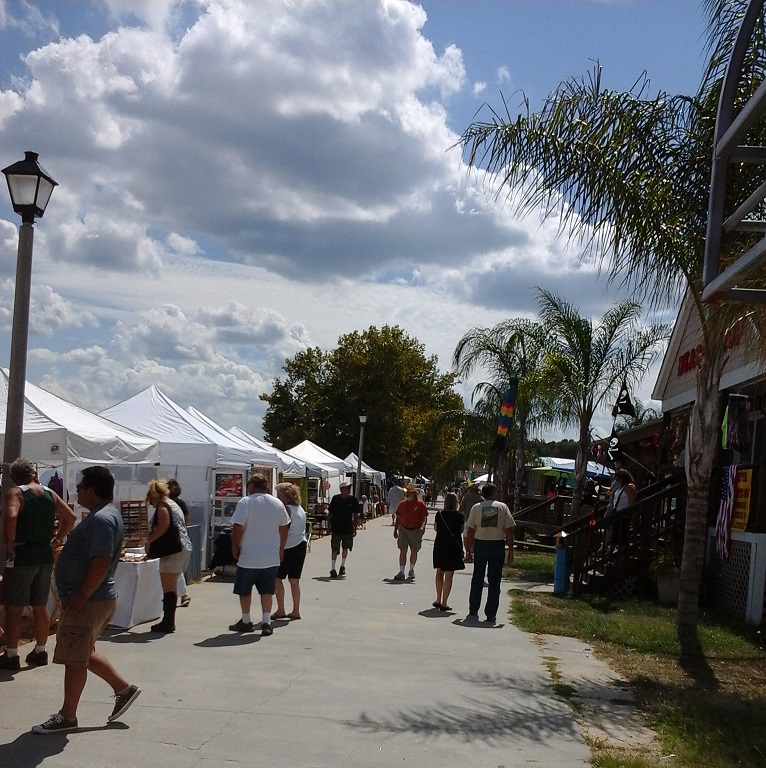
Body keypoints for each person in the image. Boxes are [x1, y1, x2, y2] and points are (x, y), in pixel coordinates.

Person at [32, 466, 141, 734]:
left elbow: (101, 562)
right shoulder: (103, 515)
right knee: (82, 650)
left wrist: (81, 596)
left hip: (89, 600)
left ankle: (68, 716)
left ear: (91, 491)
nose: (77, 491)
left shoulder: (102, 520)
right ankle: (123, 689)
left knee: (74, 659)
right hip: (93, 599)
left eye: (80, 487)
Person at [0, 459, 76, 671]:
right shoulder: (50, 493)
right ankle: (41, 650)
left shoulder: (16, 493)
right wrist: (56, 539)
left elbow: (11, 515)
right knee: (40, 604)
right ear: (34, 473)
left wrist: (9, 542)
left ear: (14, 477)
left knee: (14, 606)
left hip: (23, 554)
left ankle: (12, 653)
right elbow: (69, 517)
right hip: (44, 553)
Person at [228, 474, 290, 636]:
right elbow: (284, 527)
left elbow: (237, 526)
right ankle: (266, 621)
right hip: (270, 555)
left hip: (249, 555)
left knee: (244, 590)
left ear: (252, 486)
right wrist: (281, 548)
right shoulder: (277, 503)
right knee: (267, 591)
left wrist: (235, 546)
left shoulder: (246, 502)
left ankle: (246, 620)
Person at [145, 479, 192, 634]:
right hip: (183, 547)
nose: (151, 504)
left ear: (154, 495)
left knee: (168, 588)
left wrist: (149, 541)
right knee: (172, 585)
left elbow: (163, 526)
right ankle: (168, 620)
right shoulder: (173, 503)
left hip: (173, 550)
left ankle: (168, 622)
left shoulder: (163, 506)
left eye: (151, 500)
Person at [464, 483, 515, 624]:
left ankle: (473, 608)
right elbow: (509, 530)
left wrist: (468, 550)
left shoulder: (477, 507)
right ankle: (491, 613)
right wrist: (511, 549)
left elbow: (470, 530)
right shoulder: (503, 507)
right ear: (494, 493)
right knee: (494, 581)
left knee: (477, 578)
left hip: (480, 544)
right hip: (497, 545)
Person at [273, 482, 307, 620]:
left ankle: (281, 609)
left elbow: (284, 531)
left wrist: (280, 548)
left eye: (279, 494)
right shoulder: (300, 509)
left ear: (285, 496)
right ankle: (296, 610)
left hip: (289, 546)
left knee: (277, 578)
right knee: (294, 580)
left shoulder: (286, 509)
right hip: (301, 544)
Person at [432, 492, 465, 611]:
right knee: (449, 575)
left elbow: (435, 528)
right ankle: (445, 602)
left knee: (439, 572)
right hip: (453, 547)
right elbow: (461, 531)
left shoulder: (439, 514)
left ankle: (438, 598)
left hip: (441, 545)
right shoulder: (460, 516)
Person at [393, 483, 429, 580]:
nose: (407, 495)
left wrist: (423, 526)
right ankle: (401, 571)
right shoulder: (402, 503)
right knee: (402, 550)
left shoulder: (420, 504)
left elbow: (424, 517)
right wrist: (395, 529)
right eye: (406, 493)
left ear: (414, 494)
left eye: (409, 493)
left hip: (416, 530)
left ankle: (411, 570)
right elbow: (398, 517)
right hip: (403, 529)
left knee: (414, 551)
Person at [167, 479, 192, 608]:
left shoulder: (178, 503)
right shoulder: (167, 503)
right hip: (176, 541)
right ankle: (183, 595)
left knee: (174, 571)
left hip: (176, 541)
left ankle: (183, 595)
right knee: (175, 571)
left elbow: (186, 519)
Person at [327, 480, 359, 578]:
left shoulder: (353, 500)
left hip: (348, 528)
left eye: (349, 488)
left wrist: (355, 527)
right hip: (336, 528)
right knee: (334, 548)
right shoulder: (335, 499)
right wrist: (329, 526)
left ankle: (342, 566)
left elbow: (355, 514)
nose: (349, 489)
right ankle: (332, 569)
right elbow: (330, 513)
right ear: (342, 490)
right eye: (347, 488)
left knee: (346, 547)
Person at [608, 469, 637, 549]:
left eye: (618, 479)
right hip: (617, 514)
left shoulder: (629, 488)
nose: (617, 481)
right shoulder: (619, 488)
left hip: (624, 516)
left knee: (622, 537)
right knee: (615, 536)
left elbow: (632, 501)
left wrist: (631, 515)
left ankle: (621, 555)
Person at [458, 483, 482, 563]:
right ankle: (472, 553)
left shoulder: (466, 496)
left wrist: (458, 516)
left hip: (467, 519)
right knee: (475, 537)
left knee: (466, 536)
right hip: (478, 520)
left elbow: (461, 508)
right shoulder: (480, 498)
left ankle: (467, 552)